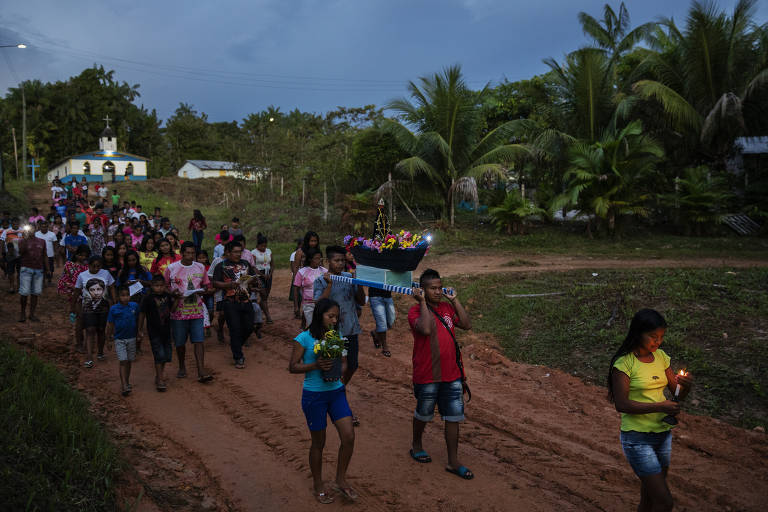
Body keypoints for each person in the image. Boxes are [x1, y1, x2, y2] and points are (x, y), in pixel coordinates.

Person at [609, 309, 694, 512]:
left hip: (662, 435)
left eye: (661, 337)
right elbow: (621, 404)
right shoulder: (624, 363)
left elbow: (677, 394)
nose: (658, 342)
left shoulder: (661, 357)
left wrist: (686, 386)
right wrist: (660, 406)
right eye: (653, 336)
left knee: (650, 499)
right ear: (638, 333)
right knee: (664, 502)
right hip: (637, 438)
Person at [289, 298, 356, 504]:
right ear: (320, 315)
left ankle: (340, 479)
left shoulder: (336, 336)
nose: (334, 321)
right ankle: (318, 484)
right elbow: (293, 366)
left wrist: (338, 371)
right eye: (330, 316)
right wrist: (316, 366)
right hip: (314, 396)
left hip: (336, 392)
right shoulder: (304, 338)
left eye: (337, 317)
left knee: (349, 436)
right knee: (318, 443)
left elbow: (344, 363)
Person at [408, 268, 473, 480]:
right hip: (427, 375)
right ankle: (416, 444)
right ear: (422, 290)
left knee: (453, 417)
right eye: (432, 289)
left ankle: (453, 461)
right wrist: (423, 303)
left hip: (452, 374)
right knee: (424, 413)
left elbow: (466, 324)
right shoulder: (415, 312)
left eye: (439, 288)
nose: (437, 292)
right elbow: (425, 329)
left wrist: (455, 301)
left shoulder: (446, 308)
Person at [314, 246, 365, 387]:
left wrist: (359, 284)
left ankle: (340, 389)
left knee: (352, 365)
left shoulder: (349, 278)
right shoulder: (320, 281)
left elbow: (361, 301)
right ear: (328, 261)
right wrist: (329, 285)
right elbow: (319, 305)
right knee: (332, 367)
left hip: (350, 329)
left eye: (343, 260)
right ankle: (332, 392)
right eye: (336, 260)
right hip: (330, 331)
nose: (340, 264)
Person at [164, 241, 213, 382]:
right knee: (180, 343)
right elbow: (165, 286)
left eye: (193, 253)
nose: (191, 256)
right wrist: (173, 293)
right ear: (182, 253)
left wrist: (205, 290)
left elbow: (207, 284)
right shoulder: (171, 268)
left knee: (199, 341)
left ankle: (201, 370)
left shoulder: (200, 267)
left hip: (196, 310)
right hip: (178, 312)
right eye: (188, 253)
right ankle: (181, 366)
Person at [212, 241, 256, 368]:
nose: (238, 254)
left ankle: (236, 345)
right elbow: (214, 283)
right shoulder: (221, 265)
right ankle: (238, 356)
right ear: (228, 252)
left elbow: (252, 277)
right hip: (230, 302)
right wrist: (228, 285)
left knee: (249, 327)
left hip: (246, 299)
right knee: (235, 329)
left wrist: (254, 281)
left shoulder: (246, 263)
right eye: (235, 252)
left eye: (239, 252)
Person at [73, 255, 116, 368]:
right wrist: (73, 307)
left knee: (101, 329)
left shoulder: (106, 273)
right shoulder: (82, 276)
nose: (96, 268)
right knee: (90, 329)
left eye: (99, 266)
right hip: (87, 308)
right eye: (94, 266)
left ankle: (100, 352)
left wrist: (115, 302)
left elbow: (112, 287)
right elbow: (77, 291)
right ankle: (89, 357)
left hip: (104, 308)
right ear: (89, 265)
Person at [139, 275, 176, 392]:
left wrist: (178, 299)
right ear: (152, 286)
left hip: (166, 330)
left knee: (166, 355)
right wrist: (139, 329)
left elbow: (172, 310)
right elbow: (142, 314)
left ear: (165, 286)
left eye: (161, 286)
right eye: (156, 286)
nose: (159, 288)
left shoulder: (168, 296)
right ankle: (160, 379)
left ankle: (159, 374)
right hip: (154, 331)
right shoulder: (148, 298)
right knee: (158, 354)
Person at [106, 285, 141, 396]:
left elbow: (139, 318)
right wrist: (108, 339)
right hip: (119, 339)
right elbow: (110, 325)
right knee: (123, 361)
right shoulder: (114, 309)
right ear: (118, 297)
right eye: (123, 295)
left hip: (131, 338)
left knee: (129, 360)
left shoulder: (134, 306)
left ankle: (127, 380)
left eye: (127, 295)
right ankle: (124, 384)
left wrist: (139, 332)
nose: (125, 298)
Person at [18, 227, 49, 322]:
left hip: (38, 269)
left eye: (32, 229)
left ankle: (32, 314)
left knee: (35, 292)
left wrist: (47, 269)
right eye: (28, 230)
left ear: (35, 230)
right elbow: (21, 252)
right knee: (24, 292)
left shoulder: (42, 241)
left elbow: (44, 255)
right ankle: (23, 313)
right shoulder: (22, 241)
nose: (30, 231)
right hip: (26, 268)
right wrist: (25, 240)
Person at [293, 247, 326, 329]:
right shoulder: (302, 272)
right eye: (317, 258)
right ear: (310, 259)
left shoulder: (324, 271)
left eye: (320, 258)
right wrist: (296, 306)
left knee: (323, 326)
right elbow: (296, 289)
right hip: (308, 304)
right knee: (313, 326)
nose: (319, 260)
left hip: (322, 304)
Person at [251, 232, 273, 324]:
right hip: (258, 276)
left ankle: (257, 310)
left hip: (268, 275)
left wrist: (271, 274)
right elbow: (253, 266)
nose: (263, 248)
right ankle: (268, 316)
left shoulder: (269, 251)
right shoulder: (253, 252)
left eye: (265, 246)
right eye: (262, 246)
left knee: (265, 296)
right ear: (258, 245)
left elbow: (272, 264)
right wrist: (262, 275)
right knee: (263, 294)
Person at [368, 286, 395, 357]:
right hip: (375, 295)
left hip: (387, 295)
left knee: (391, 321)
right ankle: (385, 347)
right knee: (382, 323)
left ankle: (376, 333)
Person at [1, 218, 23, 293]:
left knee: (20, 271)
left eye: (17, 223)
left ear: (19, 223)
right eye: (14, 223)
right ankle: (11, 286)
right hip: (10, 254)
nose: (15, 225)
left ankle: (19, 286)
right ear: (12, 224)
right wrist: (2, 252)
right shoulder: (6, 231)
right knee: (11, 272)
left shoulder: (23, 231)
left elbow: (26, 241)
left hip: (21, 255)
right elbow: (2, 241)